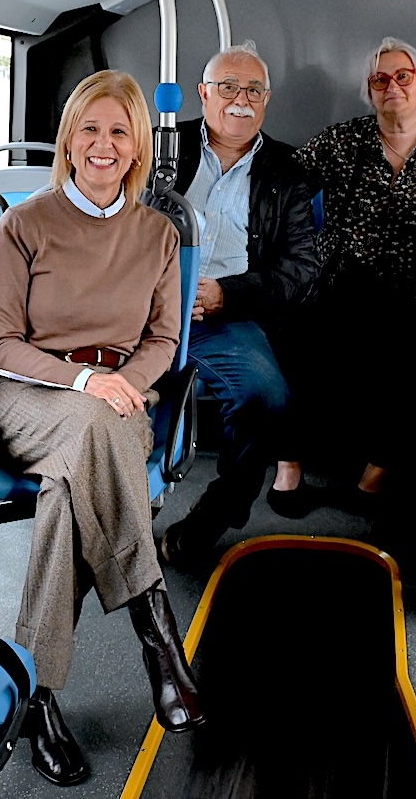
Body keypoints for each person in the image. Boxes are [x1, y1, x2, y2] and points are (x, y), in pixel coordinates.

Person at [0, 70, 201, 785]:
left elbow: (165, 341)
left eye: (118, 131)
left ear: (137, 144)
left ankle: (36, 696)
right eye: (89, 128)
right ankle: (157, 633)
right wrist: (85, 381)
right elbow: (2, 345)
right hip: (32, 395)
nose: (102, 144)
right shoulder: (25, 223)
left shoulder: (157, 233)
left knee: (63, 502)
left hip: (119, 406)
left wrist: (123, 387)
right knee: (83, 432)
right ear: (68, 139)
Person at [158, 42, 320, 563]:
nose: (240, 100)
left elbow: (301, 268)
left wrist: (227, 294)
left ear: (267, 100)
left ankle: (221, 509)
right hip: (145, 309)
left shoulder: (288, 171)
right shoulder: (158, 150)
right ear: (203, 93)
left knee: (264, 395)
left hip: (224, 315)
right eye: (227, 87)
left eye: (253, 90)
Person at [292, 37, 416, 512]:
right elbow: (283, 179)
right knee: (297, 331)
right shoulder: (345, 140)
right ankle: (290, 465)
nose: (392, 86)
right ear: (369, 92)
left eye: (403, 76)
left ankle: (377, 473)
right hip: (343, 280)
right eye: (380, 79)